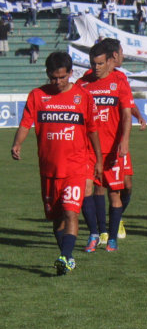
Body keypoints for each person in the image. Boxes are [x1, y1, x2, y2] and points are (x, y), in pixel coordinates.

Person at [11, 51, 102, 275]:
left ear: (71, 73)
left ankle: (67, 256)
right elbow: (25, 123)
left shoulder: (83, 97)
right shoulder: (37, 95)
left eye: (62, 77)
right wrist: (17, 144)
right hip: (49, 169)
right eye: (53, 78)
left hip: (76, 167)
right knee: (56, 219)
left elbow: (92, 132)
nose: (58, 82)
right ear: (47, 74)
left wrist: (98, 160)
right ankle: (65, 257)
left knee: (71, 213)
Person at [75, 42, 133, 253]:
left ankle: (112, 237)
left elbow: (126, 114)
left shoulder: (119, 81)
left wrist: (124, 140)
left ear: (110, 61)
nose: (96, 67)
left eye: (100, 63)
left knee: (116, 193)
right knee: (86, 190)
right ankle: (94, 234)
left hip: (113, 149)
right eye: (93, 63)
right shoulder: (82, 84)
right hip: (88, 150)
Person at [101, 38, 146, 239]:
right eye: (121, 52)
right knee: (103, 188)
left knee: (127, 185)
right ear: (113, 56)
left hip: (118, 142)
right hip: (99, 143)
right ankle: (104, 229)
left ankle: (117, 217)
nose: (123, 55)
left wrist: (138, 115)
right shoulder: (89, 80)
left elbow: (126, 103)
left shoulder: (121, 78)